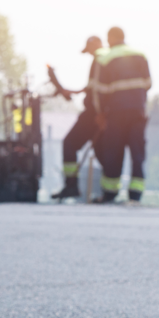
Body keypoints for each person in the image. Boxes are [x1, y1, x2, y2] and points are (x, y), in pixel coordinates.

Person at [91, 26, 151, 203]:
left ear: (110, 38)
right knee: (137, 154)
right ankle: (135, 194)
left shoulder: (105, 58)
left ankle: (110, 193)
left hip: (116, 113)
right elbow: (148, 83)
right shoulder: (141, 55)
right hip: (138, 112)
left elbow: (99, 91)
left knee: (113, 153)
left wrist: (101, 113)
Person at [48, 35, 104, 200]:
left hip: (94, 113)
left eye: (89, 50)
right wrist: (71, 92)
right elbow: (91, 88)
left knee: (69, 144)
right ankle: (109, 193)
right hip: (99, 113)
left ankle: (71, 185)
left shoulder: (100, 59)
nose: (89, 54)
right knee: (102, 151)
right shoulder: (102, 60)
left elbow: (94, 90)